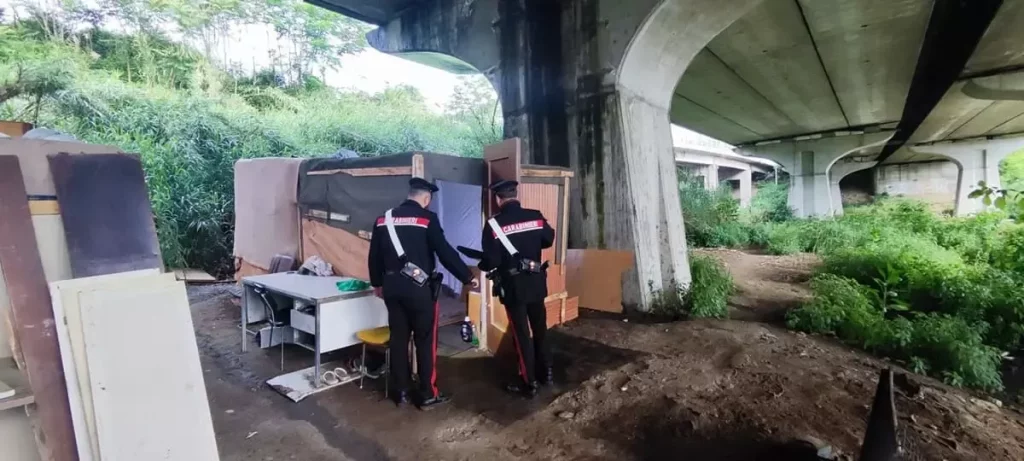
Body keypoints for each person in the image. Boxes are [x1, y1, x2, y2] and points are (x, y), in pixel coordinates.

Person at [368, 178, 478, 409]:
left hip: (392, 289)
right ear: (426, 199)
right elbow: (445, 253)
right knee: (425, 341)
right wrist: (467, 277)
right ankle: (428, 394)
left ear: (410, 194)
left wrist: (378, 284)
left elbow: (374, 257)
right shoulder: (427, 219)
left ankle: (402, 393)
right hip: (420, 290)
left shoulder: (382, 219)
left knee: (398, 340)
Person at [479, 179, 555, 398]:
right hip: (536, 282)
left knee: (522, 334)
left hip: (514, 287)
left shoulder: (494, 225)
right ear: (515, 195)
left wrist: (482, 265)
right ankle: (547, 373)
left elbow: (491, 260)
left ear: (497, 199)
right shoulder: (536, 216)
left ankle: (529, 381)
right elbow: (548, 240)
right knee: (540, 328)